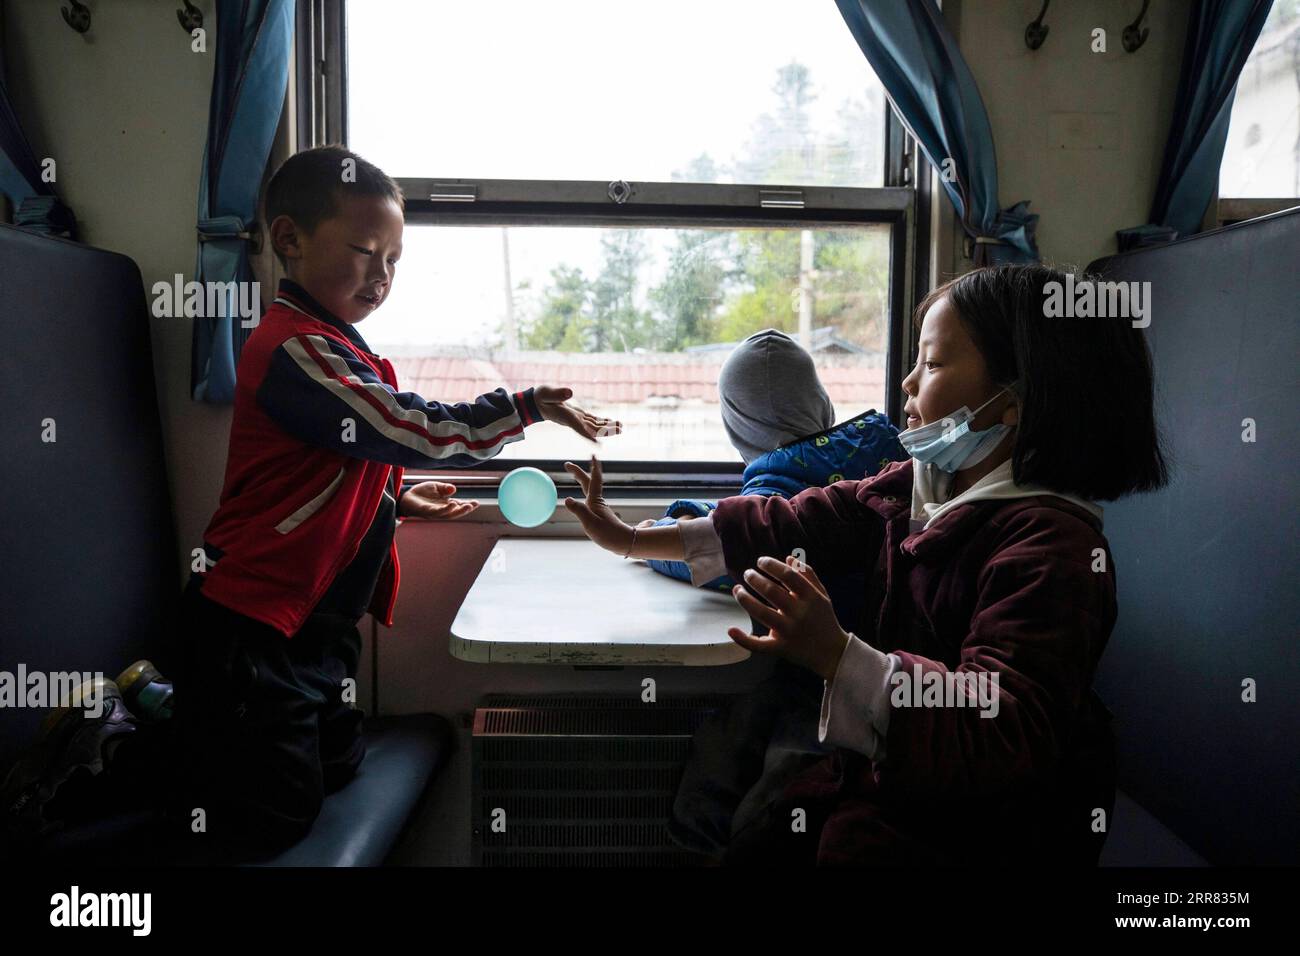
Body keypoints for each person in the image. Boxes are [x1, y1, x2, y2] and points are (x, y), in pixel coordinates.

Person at [564, 263, 1169, 865]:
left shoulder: (1051, 548)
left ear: (1012, 401)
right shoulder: (927, 482)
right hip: (899, 774)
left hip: (985, 826)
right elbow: (795, 520)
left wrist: (835, 654)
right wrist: (636, 539)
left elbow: (999, 731)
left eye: (931, 364)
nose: (907, 383)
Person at [130, 144, 616, 856]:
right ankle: (122, 747)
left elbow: (342, 459)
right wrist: (523, 407)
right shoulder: (293, 347)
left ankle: (192, 719)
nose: (381, 276)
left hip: (316, 629)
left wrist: (399, 503)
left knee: (340, 763)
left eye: (393, 260)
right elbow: (402, 426)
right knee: (276, 817)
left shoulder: (338, 348)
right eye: (363, 251)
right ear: (290, 240)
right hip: (251, 628)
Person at [627, 328, 907, 856]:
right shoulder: (880, 451)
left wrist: (661, 530)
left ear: (737, 424)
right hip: (888, 656)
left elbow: (710, 560)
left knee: (738, 778)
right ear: (822, 403)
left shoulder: (776, 488)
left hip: (829, 680)